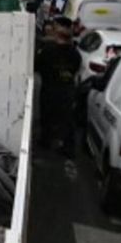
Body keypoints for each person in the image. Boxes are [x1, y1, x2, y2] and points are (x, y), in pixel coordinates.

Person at [34, 17, 80, 152]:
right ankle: (68, 147)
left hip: (50, 89)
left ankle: (46, 142)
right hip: (67, 90)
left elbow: (37, 67)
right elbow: (75, 68)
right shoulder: (75, 53)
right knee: (67, 120)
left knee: (47, 117)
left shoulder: (48, 51)